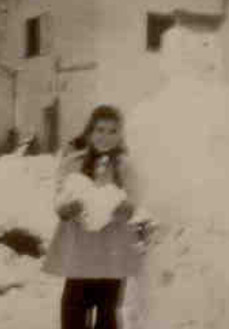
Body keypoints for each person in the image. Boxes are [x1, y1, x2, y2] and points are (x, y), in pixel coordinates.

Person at [43, 105, 141, 329]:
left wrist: (122, 208)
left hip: (111, 249)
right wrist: (69, 209)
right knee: (73, 307)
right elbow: (60, 200)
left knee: (107, 310)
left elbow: (134, 201)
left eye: (112, 131)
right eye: (100, 129)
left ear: (120, 135)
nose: (105, 137)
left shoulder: (125, 167)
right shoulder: (73, 162)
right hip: (80, 249)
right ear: (89, 131)